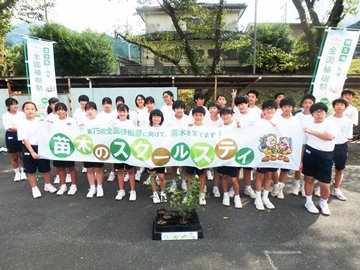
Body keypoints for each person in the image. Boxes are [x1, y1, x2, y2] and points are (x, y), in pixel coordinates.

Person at [302, 102, 338, 216]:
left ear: (325, 113)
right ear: (312, 114)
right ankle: (308, 202)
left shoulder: (331, 123)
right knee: (309, 179)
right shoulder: (307, 125)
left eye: (321, 112)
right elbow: (303, 144)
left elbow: (329, 137)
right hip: (310, 153)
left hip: (325, 155)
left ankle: (323, 203)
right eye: (316, 112)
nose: (319, 114)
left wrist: (311, 131)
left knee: (325, 183)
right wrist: (300, 161)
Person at [17, 101, 57, 198]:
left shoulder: (40, 120)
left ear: (36, 110)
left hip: (42, 147)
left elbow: (52, 126)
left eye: (32, 109)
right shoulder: (21, 123)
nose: (30, 111)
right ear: (23, 111)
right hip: (28, 148)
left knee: (46, 168)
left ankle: (47, 185)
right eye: (27, 109)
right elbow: (25, 139)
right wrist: (32, 152)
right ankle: (34, 188)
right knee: (31, 170)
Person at [271, 97, 301, 200]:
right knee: (274, 167)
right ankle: (276, 185)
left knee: (284, 168)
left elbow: (298, 135)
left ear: (292, 108)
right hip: (275, 146)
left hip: (288, 147)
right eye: (285, 106)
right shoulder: (275, 118)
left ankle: (280, 189)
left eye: (290, 106)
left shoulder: (296, 120)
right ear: (281, 107)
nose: (287, 108)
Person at [254, 100, 278, 211]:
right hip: (262, 154)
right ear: (263, 110)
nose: (269, 110)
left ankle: (265, 197)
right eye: (267, 108)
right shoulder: (259, 122)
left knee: (269, 176)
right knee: (260, 176)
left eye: (271, 108)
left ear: (275, 110)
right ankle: (258, 198)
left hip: (274, 154)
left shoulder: (278, 122)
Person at [233, 95, 258, 199]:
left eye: (242, 104)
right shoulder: (235, 116)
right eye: (238, 105)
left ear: (247, 103)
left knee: (248, 168)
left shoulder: (255, 115)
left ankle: (248, 187)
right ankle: (234, 188)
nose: (241, 106)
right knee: (236, 168)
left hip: (250, 146)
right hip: (237, 146)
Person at [328, 98, 353, 201]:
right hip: (329, 146)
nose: (339, 106)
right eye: (337, 104)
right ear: (333, 107)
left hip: (341, 146)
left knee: (340, 168)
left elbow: (348, 137)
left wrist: (344, 148)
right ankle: (323, 187)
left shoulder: (348, 121)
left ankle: (336, 189)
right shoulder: (328, 119)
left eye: (342, 105)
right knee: (326, 168)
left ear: (345, 107)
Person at [111, 104, 137, 201]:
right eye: (120, 111)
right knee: (120, 171)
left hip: (128, 150)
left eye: (124, 111)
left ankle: (132, 191)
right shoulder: (114, 123)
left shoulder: (131, 123)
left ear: (127, 112)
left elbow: (135, 136)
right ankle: (121, 190)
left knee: (130, 171)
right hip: (118, 150)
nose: (122, 113)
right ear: (117, 112)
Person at [80, 102, 106, 198]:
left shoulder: (101, 121)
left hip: (98, 148)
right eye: (88, 109)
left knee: (98, 168)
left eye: (92, 109)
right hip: (87, 149)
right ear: (85, 111)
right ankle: (92, 187)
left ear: (96, 110)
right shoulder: (82, 122)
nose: (90, 111)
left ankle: (99, 187)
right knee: (89, 169)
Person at [218, 107, 242, 209]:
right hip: (223, 156)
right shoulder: (219, 128)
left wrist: (240, 128)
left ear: (232, 115)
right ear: (221, 116)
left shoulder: (237, 125)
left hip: (234, 157)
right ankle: (226, 194)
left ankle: (237, 197)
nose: (225, 116)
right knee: (224, 177)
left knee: (234, 179)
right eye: (223, 114)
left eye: (227, 114)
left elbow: (246, 135)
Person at [291, 94, 316, 196]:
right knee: (298, 165)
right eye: (306, 103)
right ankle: (296, 184)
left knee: (308, 166)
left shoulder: (315, 116)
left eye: (310, 103)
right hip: (299, 143)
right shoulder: (297, 116)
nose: (308, 105)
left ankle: (304, 186)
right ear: (302, 104)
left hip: (311, 144)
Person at [166, 100, 192, 192]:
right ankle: (174, 182)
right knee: (174, 165)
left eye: (181, 108)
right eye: (177, 108)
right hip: (173, 145)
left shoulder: (188, 119)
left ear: (184, 109)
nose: (179, 110)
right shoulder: (169, 119)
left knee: (184, 165)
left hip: (185, 145)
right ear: (174, 109)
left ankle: (184, 181)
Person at [51, 103, 78, 195]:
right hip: (57, 147)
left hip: (68, 147)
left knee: (70, 167)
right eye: (58, 110)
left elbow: (77, 132)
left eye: (62, 109)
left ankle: (73, 185)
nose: (60, 111)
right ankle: (63, 185)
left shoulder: (71, 120)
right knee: (59, 167)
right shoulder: (53, 121)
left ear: (66, 111)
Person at [184, 106, 208, 205]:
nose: (198, 117)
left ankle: (201, 195)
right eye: (196, 115)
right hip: (190, 156)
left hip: (202, 155)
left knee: (202, 176)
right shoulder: (188, 127)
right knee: (189, 176)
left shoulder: (207, 128)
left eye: (200, 115)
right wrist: (188, 127)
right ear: (193, 116)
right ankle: (188, 193)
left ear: (203, 116)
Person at [2, 97, 26, 181]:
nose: (15, 106)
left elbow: (25, 123)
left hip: (22, 134)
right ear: (8, 106)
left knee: (22, 155)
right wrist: (21, 128)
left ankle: (23, 172)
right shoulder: (5, 116)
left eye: (16, 104)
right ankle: (17, 173)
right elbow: (9, 128)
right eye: (12, 104)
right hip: (11, 135)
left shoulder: (22, 114)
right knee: (14, 156)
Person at [148, 109, 168, 204]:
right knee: (152, 176)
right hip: (150, 156)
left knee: (161, 176)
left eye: (158, 116)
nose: (156, 118)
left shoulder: (165, 130)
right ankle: (155, 193)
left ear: (162, 118)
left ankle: (163, 192)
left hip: (161, 156)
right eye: (154, 116)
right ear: (151, 118)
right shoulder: (147, 130)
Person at [204, 101, 223, 196]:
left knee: (216, 168)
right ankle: (203, 186)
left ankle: (215, 187)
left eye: (214, 108)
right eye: (210, 108)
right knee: (204, 167)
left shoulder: (222, 120)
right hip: (206, 147)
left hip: (218, 147)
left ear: (218, 110)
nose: (212, 110)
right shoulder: (204, 120)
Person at [98, 97, 117, 182]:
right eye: (105, 103)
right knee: (102, 155)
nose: (107, 105)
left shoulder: (115, 113)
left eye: (108, 103)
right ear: (102, 105)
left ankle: (112, 172)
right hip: (102, 138)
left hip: (113, 138)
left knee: (112, 156)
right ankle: (99, 172)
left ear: (111, 105)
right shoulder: (100, 115)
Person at [73, 94, 89, 174]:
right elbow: (74, 121)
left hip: (88, 133)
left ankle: (89, 165)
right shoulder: (77, 111)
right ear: (79, 102)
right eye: (82, 101)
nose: (83, 102)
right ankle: (85, 166)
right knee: (83, 149)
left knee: (89, 148)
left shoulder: (89, 110)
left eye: (85, 101)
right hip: (80, 133)